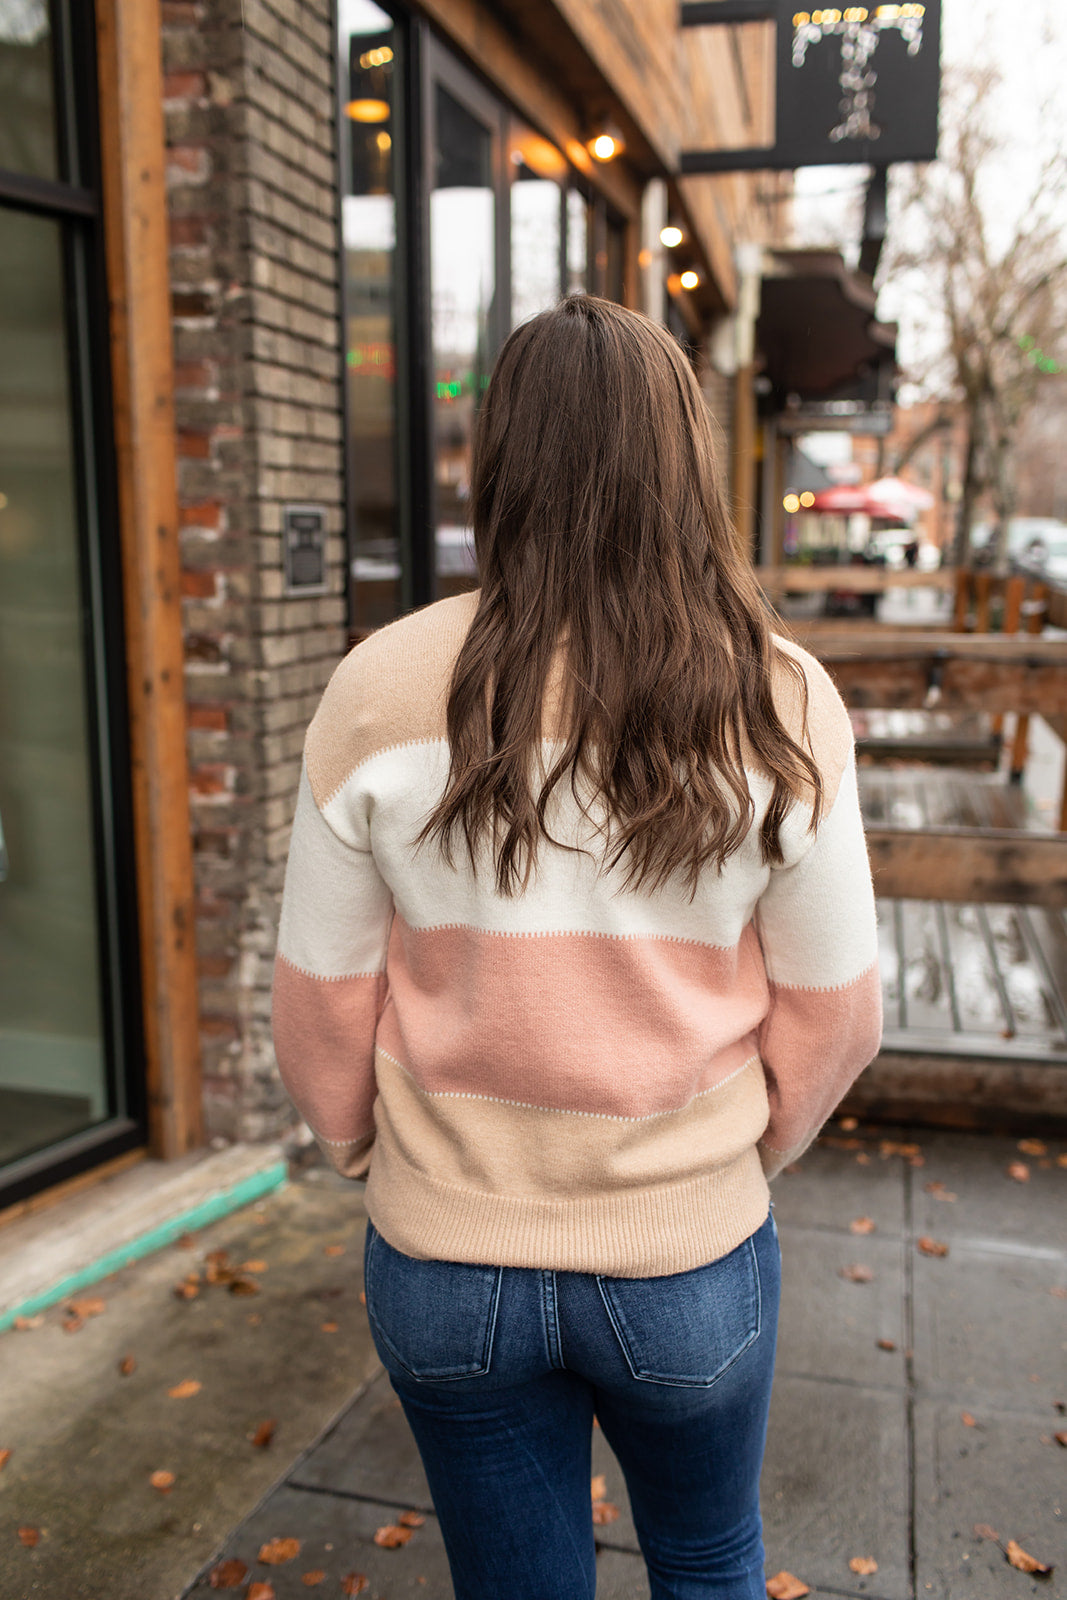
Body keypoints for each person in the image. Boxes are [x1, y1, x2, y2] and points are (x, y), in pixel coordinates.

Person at [272, 294, 882, 1600]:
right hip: (689, 1264)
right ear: (683, 464)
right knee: (711, 1564)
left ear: (498, 462)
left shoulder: (376, 688)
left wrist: (371, 1154)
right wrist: (724, 1158)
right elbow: (837, 1015)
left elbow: (322, 1005)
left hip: (444, 1265)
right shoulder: (777, 695)